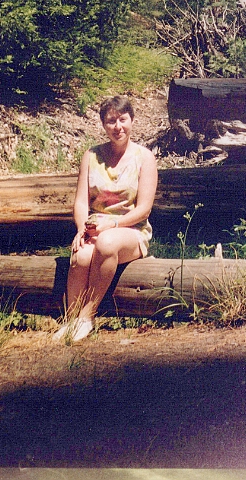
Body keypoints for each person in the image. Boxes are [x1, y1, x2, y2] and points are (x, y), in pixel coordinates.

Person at [54, 94, 158, 342]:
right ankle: (71, 321)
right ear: (103, 124)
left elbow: (144, 209)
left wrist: (112, 224)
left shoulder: (145, 158)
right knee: (81, 255)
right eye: (111, 121)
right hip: (95, 227)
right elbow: (81, 202)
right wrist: (81, 229)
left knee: (107, 242)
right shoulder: (91, 156)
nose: (117, 127)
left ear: (132, 120)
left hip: (131, 229)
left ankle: (86, 317)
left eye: (123, 119)